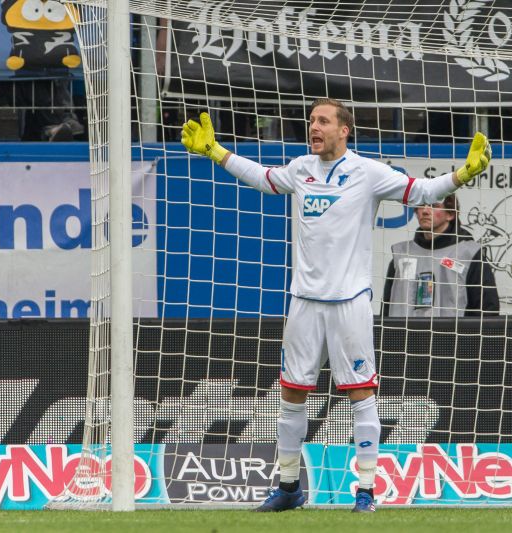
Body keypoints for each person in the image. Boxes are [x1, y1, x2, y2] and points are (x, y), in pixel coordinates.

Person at [180, 99, 491, 513]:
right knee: (291, 393)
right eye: (311, 120)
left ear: (344, 130)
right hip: (304, 303)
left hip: (349, 303)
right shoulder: (301, 168)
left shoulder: (368, 173)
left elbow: (423, 191)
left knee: (361, 394)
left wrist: (461, 175)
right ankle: (289, 486)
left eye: (323, 121)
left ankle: (365, 491)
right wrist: (217, 153)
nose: (314, 127)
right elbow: (262, 177)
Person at [382, 195, 500, 317]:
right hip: (402, 335)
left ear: (450, 215)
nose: (425, 211)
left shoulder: (469, 254)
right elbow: (386, 309)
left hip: (451, 335)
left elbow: (487, 310)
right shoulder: (402, 254)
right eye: (421, 206)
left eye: (434, 206)